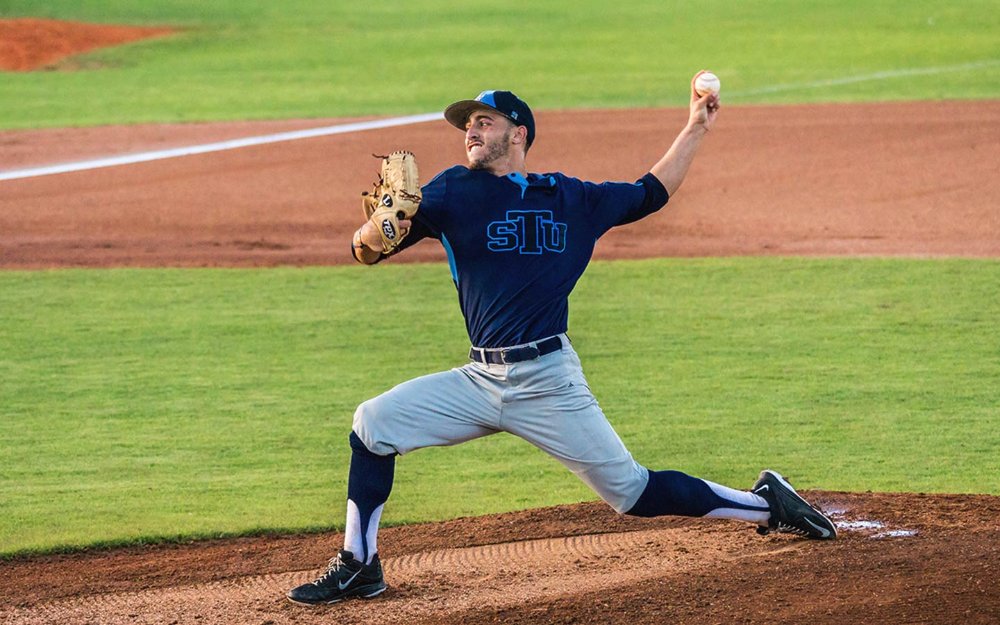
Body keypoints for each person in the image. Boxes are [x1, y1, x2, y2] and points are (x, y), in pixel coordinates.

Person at [286, 73, 836, 606]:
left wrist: (696, 126)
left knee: (632, 493)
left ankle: (765, 504)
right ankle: (360, 565)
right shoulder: (452, 191)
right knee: (373, 425)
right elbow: (367, 250)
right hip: (479, 379)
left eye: (484, 121)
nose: (471, 132)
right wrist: (376, 228)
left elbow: (650, 193)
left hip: (550, 381)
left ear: (518, 133)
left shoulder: (571, 198)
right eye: (467, 125)